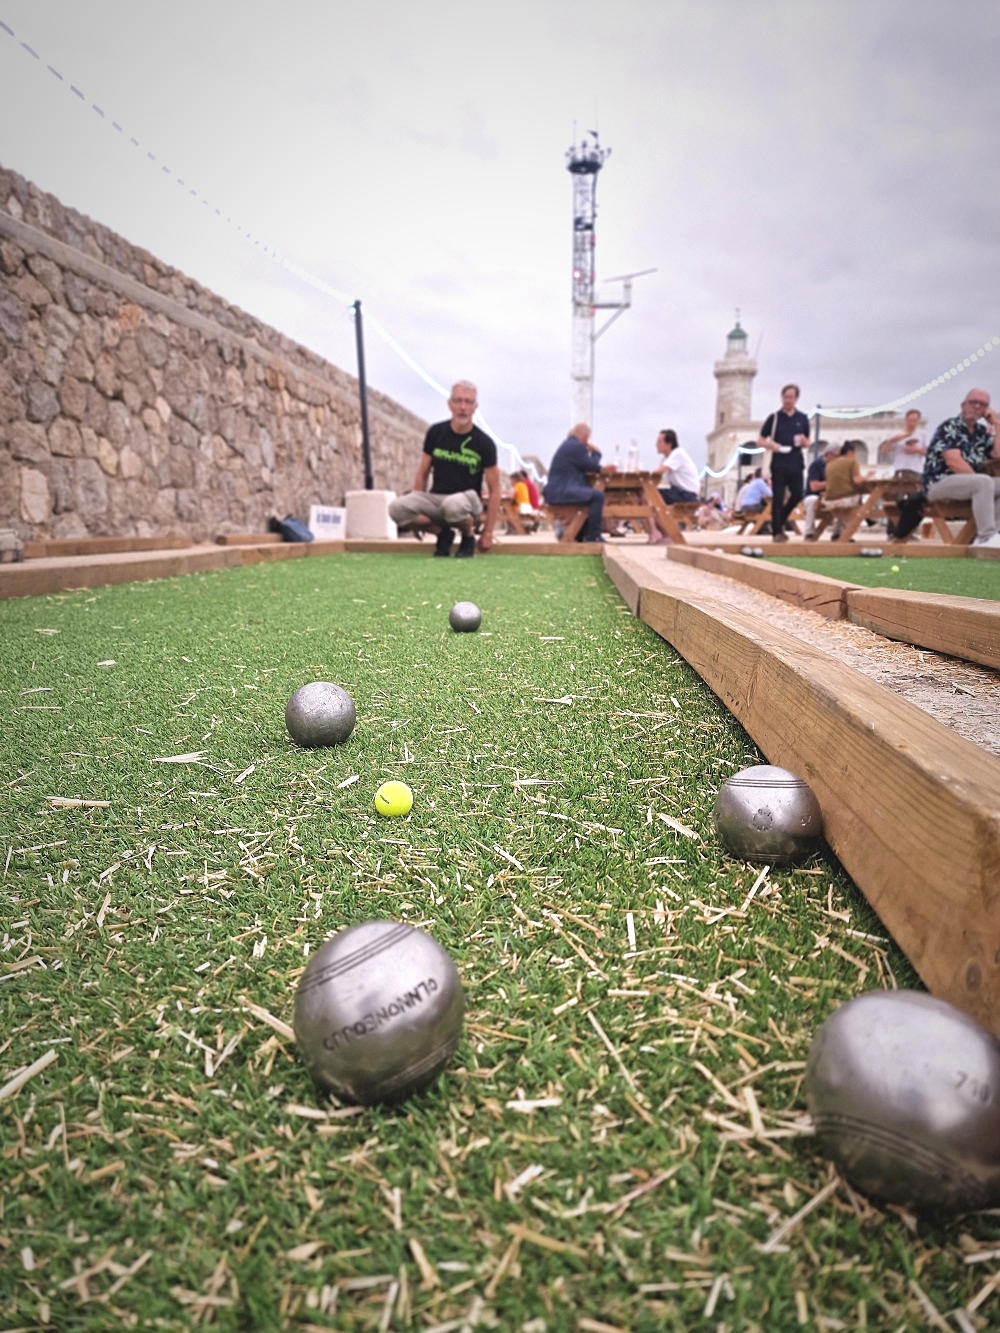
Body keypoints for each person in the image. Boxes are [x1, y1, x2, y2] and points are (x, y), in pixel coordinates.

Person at [389, 381, 500, 558]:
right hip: (437, 499)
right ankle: (442, 533)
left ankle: (467, 536)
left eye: (468, 402)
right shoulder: (435, 433)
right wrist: (418, 507)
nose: (462, 407)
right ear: (450, 404)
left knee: (453, 505)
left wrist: (488, 533)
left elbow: (495, 490)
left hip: (468, 502)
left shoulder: (484, 443)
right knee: (397, 507)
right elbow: (423, 472)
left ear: (475, 407)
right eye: (458, 401)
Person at [922, 389, 1000, 548]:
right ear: (963, 405)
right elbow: (953, 461)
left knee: (989, 483)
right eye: (973, 402)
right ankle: (986, 537)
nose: (977, 406)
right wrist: (981, 484)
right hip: (939, 483)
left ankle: (993, 535)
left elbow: (997, 454)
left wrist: (997, 424)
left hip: (968, 483)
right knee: (984, 482)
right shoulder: (949, 426)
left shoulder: (981, 432)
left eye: (982, 404)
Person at [757, 384, 811, 542]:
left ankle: (780, 520)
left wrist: (803, 441)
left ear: (796, 399)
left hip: (796, 461)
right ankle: (777, 532)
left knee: (797, 495)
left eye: (791, 397)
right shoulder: (774, 418)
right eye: (785, 397)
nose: (787, 400)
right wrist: (772, 445)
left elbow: (808, 442)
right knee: (778, 497)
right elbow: (760, 440)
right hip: (779, 462)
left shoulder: (802, 418)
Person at [544, 424, 605, 541]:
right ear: (586, 437)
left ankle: (582, 535)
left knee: (589, 495)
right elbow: (592, 466)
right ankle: (593, 536)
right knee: (597, 496)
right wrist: (597, 453)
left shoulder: (567, 445)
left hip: (554, 491)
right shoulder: (577, 446)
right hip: (563, 492)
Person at [820, 443, 871, 539]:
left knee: (847, 505)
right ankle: (846, 535)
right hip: (845, 500)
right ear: (851, 452)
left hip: (828, 501)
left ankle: (838, 533)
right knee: (859, 503)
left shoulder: (830, 464)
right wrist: (867, 476)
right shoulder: (852, 461)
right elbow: (856, 480)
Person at [653, 429, 700, 503]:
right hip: (678, 492)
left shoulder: (678, 453)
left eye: (659, 442)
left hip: (687, 494)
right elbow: (656, 478)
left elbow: (659, 472)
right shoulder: (665, 458)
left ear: (668, 444)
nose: (656, 444)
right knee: (653, 493)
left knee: (655, 494)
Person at [881, 409, 927, 480]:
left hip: (915, 469)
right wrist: (892, 441)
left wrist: (917, 450)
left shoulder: (922, 434)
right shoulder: (897, 434)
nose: (911, 423)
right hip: (900, 468)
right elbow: (883, 451)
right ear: (906, 420)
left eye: (914, 421)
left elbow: (928, 453)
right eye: (909, 420)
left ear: (918, 421)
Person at [803, 447, 837, 539]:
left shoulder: (835, 467)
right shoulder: (817, 465)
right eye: (836, 456)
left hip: (829, 496)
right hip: (813, 495)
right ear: (829, 454)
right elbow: (813, 487)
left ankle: (838, 533)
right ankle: (809, 532)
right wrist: (831, 483)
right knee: (812, 501)